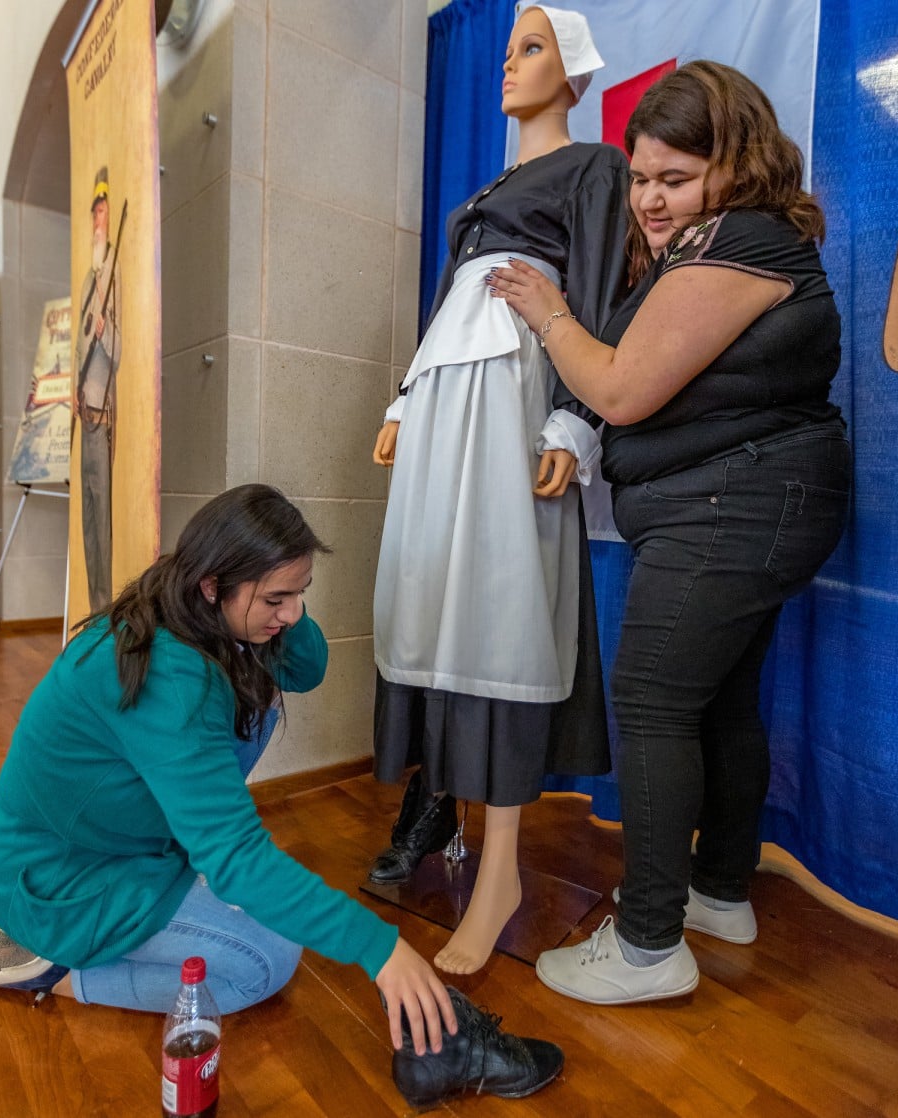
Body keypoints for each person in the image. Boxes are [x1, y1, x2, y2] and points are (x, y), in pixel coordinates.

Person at [487, 60, 852, 1003]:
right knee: (721, 703)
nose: (651, 199)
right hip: (751, 505)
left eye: (675, 178)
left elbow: (618, 388)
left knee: (651, 700)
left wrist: (550, 310)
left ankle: (648, 945)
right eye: (641, 178)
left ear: (738, 164)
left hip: (735, 507)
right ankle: (718, 893)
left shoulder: (739, 243)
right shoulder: (733, 243)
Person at [0, 484, 456, 1056]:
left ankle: (124, 916)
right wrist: (381, 948)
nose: (292, 613)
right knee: (264, 963)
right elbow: (238, 857)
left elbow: (308, 669)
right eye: (275, 599)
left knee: (261, 705)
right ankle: (60, 972)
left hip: (121, 842)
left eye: (299, 594)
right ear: (212, 586)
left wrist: (278, 600)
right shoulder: (173, 677)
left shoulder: (184, 602)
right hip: (61, 876)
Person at [370, 4, 628, 975]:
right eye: (510, 48)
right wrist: (404, 394)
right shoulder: (484, 189)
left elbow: (597, 288)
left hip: (516, 384)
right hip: (444, 392)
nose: (510, 65)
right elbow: (446, 299)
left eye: (533, 49)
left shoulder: (594, 168)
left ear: (575, 71)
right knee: (436, 600)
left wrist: (573, 418)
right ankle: (451, 827)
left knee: (506, 609)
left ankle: (504, 871)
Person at [75, 165, 122, 612]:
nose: (98, 222)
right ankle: (94, 608)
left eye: (103, 212)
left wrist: (105, 332)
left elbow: (119, 350)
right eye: (95, 214)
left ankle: (105, 608)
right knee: (89, 522)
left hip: (102, 417)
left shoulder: (113, 275)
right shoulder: (91, 277)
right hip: (84, 414)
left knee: (103, 524)